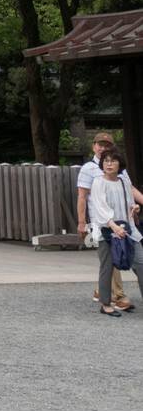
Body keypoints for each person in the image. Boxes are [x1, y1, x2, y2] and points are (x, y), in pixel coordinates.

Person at [78, 131, 135, 310]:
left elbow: (130, 190)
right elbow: (82, 196)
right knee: (112, 255)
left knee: (111, 257)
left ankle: (101, 291)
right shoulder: (88, 168)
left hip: (121, 219)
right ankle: (118, 295)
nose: (103, 147)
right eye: (99, 144)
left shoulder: (119, 167)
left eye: (107, 145)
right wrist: (81, 222)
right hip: (99, 220)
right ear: (93, 146)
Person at [88, 149, 143, 316]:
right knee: (108, 267)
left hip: (127, 229)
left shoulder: (124, 182)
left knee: (141, 263)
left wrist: (134, 208)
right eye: (106, 161)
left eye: (112, 161)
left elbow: (128, 204)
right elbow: (99, 207)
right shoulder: (98, 182)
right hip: (107, 230)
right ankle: (105, 304)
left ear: (120, 164)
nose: (109, 164)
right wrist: (113, 226)